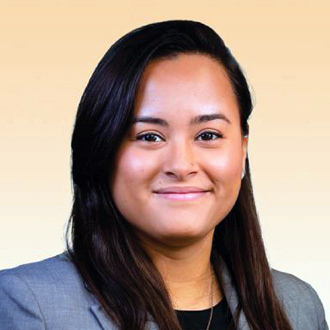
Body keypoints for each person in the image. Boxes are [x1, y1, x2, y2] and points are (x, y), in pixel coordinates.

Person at [0, 20, 327, 330]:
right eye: (149, 137)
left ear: (242, 150)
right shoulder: (29, 304)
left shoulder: (298, 306)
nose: (182, 165)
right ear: (102, 149)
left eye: (208, 135)